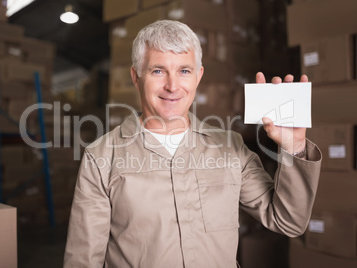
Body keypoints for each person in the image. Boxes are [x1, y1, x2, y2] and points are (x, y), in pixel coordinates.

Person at [64, 20, 322, 268]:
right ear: (136, 76)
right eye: (157, 71)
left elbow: (288, 222)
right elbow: (83, 260)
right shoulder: (101, 156)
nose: (172, 86)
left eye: (184, 71)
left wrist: (294, 146)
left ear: (198, 76)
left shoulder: (230, 147)